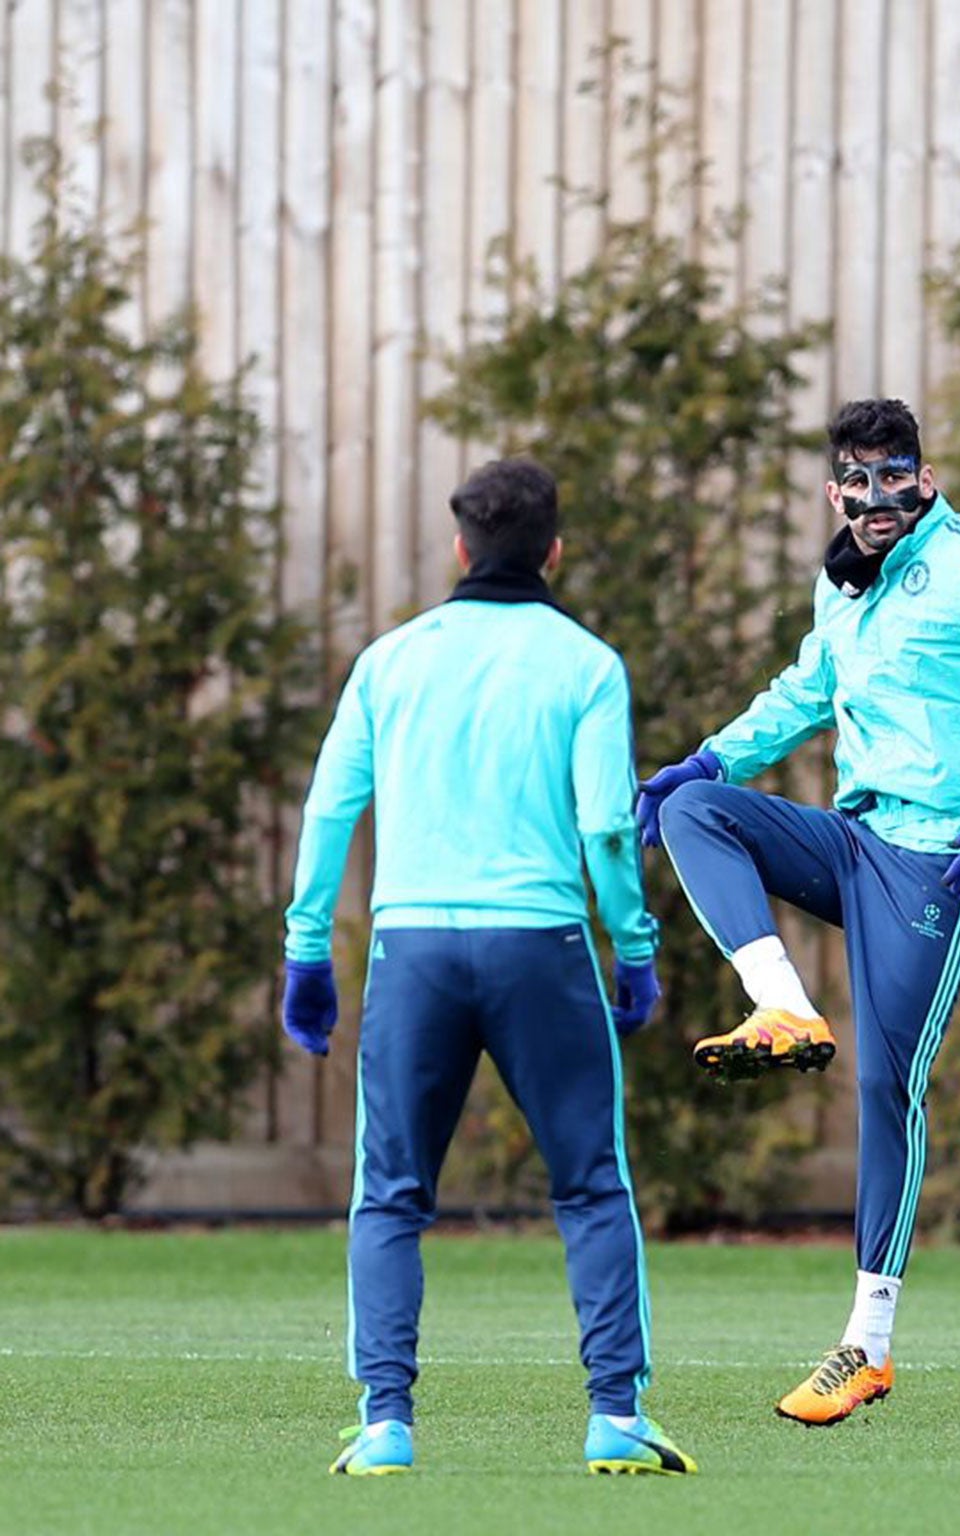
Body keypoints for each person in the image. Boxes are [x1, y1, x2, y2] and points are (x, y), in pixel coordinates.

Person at [636, 397, 960, 1427]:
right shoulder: (841, 578)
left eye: (898, 474)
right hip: (853, 840)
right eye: (859, 478)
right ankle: (782, 1007)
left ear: (924, 479)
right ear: (832, 489)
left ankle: (868, 1344)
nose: (880, 495)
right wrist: (712, 757)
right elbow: (807, 688)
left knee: (888, 1084)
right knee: (690, 810)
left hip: (942, 862)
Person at [280, 457, 694, 1478]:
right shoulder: (587, 664)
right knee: (592, 1185)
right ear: (553, 551)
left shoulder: (390, 660)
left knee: (389, 1194)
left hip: (411, 953)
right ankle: (613, 1417)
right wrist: (634, 947)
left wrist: (305, 951)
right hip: (541, 952)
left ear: (461, 549)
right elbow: (606, 826)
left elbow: (330, 810)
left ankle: (385, 1424)